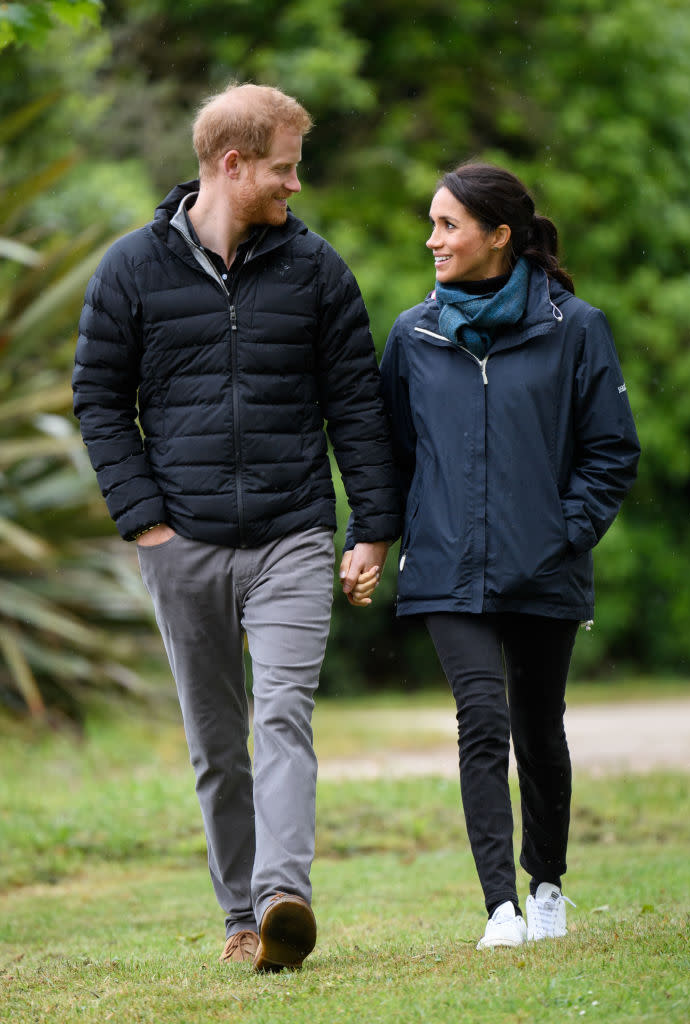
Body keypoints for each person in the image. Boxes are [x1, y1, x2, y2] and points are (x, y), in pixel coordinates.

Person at [72, 83, 401, 972]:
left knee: (283, 718)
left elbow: (356, 409)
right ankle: (240, 919)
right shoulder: (130, 271)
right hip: (181, 544)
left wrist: (372, 527)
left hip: (292, 535)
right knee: (218, 746)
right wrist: (145, 525)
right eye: (285, 170)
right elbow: (99, 402)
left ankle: (283, 896)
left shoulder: (318, 271)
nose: (296, 186)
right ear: (233, 164)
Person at [343, 162, 640, 948]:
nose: (431, 239)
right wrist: (370, 538)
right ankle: (499, 908)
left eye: (448, 225)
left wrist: (563, 533)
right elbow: (391, 457)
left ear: (498, 236)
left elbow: (611, 452)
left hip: (544, 566)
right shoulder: (414, 335)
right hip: (445, 569)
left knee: (539, 729)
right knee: (482, 721)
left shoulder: (576, 328)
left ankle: (547, 885)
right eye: (432, 223)